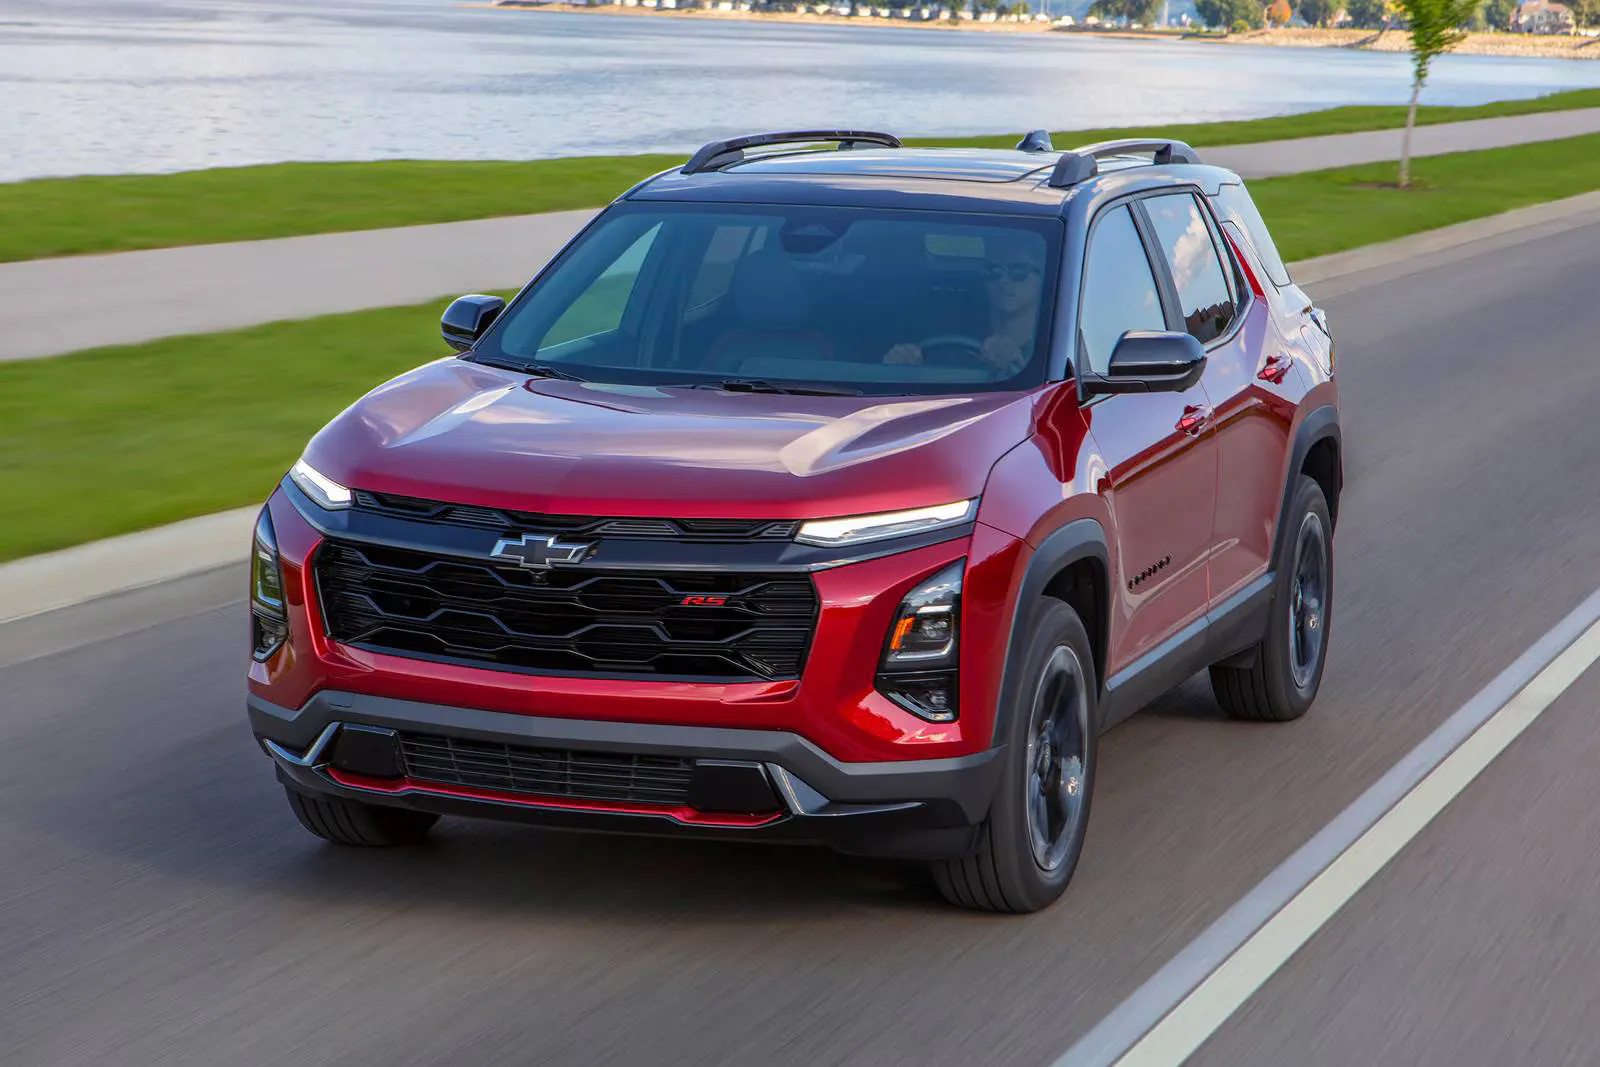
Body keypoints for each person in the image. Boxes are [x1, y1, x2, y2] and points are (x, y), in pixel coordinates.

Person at [881, 231, 1046, 377]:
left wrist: (1020, 369)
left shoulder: (1056, 345)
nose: (1003, 280)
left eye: (1018, 271)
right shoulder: (949, 332)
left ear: (1043, 275)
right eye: (993, 271)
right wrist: (900, 368)